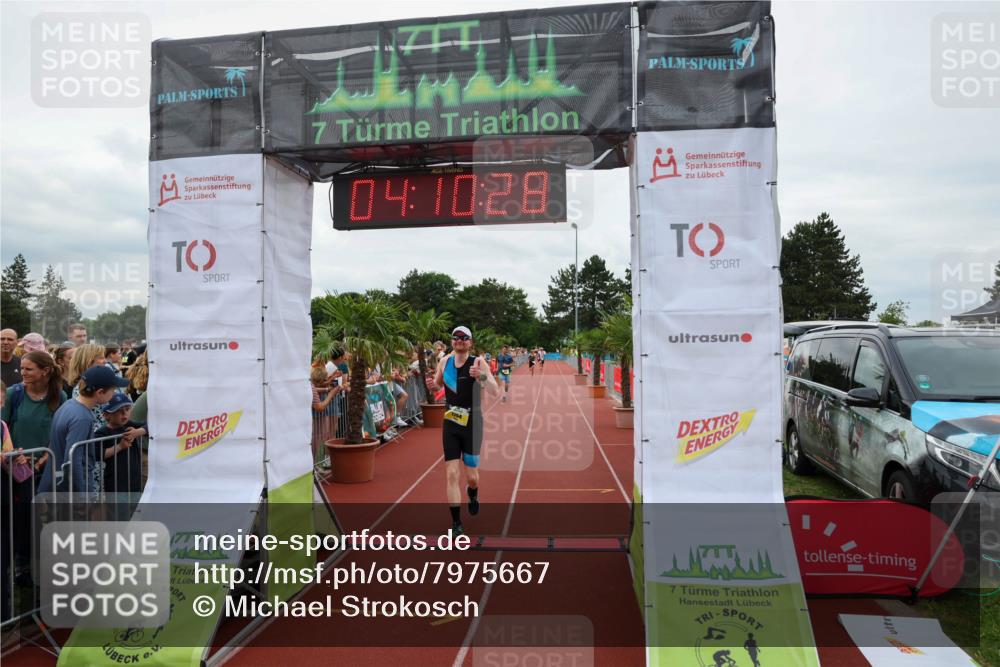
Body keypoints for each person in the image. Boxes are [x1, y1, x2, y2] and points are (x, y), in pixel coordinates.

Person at [2, 352, 65, 583]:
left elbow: (59, 432)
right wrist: (12, 456)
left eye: (28, 369)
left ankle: (40, 566)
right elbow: (2, 429)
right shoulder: (13, 395)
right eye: (23, 369)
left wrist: (42, 461)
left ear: (45, 371)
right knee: (20, 517)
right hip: (16, 471)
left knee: (43, 517)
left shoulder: (60, 396)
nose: (23, 373)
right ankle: (20, 565)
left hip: (46, 467)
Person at [433, 326, 501, 535]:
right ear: (452, 341)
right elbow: (437, 384)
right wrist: (432, 386)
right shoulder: (444, 362)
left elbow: (495, 390)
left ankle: (472, 493)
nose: (460, 341)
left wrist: (481, 376)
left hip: (473, 423)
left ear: (470, 342)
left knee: (472, 477)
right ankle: (456, 523)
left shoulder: (478, 362)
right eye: (456, 337)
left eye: (464, 338)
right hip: (451, 422)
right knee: (452, 473)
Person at [37, 366, 128, 496]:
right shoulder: (82, 418)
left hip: (58, 483)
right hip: (69, 491)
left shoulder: (68, 405)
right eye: (113, 390)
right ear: (100, 392)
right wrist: (82, 494)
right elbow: (73, 459)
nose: (114, 393)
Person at [96, 393, 147, 500]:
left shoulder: (129, 425)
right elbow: (98, 453)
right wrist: (119, 446)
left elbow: (151, 425)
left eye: (127, 409)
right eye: (119, 410)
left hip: (134, 483)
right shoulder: (102, 433)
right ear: (106, 415)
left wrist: (138, 432)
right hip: (116, 486)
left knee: (135, 513)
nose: (124, 413)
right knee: (119, 515)